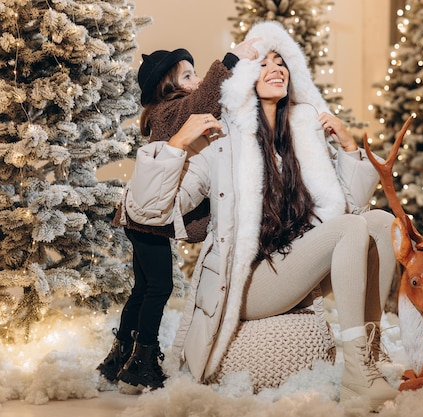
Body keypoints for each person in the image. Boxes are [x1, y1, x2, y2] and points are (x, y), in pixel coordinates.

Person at [123, 21, 398, 410]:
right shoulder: (220, 142)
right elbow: (151, 210)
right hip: (247, 282)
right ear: (245, 80)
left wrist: (350, 148)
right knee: (354, 227)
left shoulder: (301, 139)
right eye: (264, 62)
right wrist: (177, 144)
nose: (276, 68)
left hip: (296, 268)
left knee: (380, 224)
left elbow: (347, 213)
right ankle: (357, 373)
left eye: (282, 62)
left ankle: (369, 355)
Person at [97, 39, 260, 392]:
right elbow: (205, 100)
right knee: (159, 287)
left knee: (143, 288)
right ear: (166, 87)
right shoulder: (169, 112)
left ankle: (119, 355)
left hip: (139, 217)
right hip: (148, 218)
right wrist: (233, 59)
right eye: (189, 75)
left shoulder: (172, 112)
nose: (198, 79)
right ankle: (142, 361)